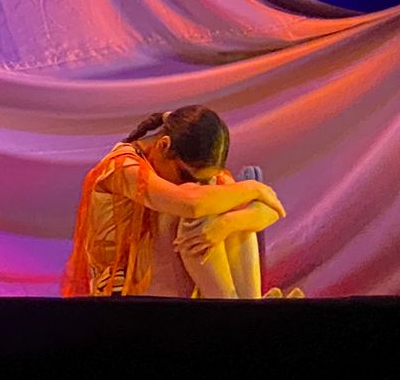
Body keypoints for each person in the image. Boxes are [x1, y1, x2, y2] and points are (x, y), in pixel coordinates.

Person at [62, 106, 299, 298]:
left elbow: (270, 212)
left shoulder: (199, 179)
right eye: (185, 174)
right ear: (163, 145)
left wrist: (225, 225)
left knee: (219, 206)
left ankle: (244, 305)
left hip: (181, 283)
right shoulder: (122, 167)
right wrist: (254, 188)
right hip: (128, 291)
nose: (194, 183)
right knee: (202, 206)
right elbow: (191, 204)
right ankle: (233, 308)